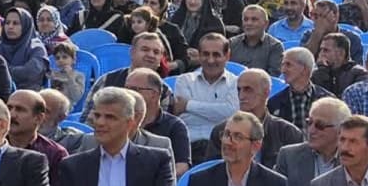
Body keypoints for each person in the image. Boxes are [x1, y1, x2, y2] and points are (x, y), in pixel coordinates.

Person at [208, 68, 302, 169]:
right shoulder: (221, 131)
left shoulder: (287, 133)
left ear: (266, 93)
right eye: (239, 90)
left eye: (248, 90)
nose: (241, 96)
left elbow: (296, 176)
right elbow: (211, 173)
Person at [171, 33, 238, 164]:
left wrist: (188, 105)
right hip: (188, 147)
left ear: (227, 56)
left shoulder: (236, 82)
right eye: (206, 54)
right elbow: (183, 118)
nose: (211, 60)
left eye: (216, 55)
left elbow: (231, 113)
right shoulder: (184, 80)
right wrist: (218, 112)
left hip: (222, 148)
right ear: (199, 56)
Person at [122, 67, 191, 175]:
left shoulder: (175, 126)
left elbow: (182, 165)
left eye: (134, 89)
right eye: (126, 89)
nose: (127, 94)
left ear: (154, 94)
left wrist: (158, 177)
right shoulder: (118, 121)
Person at [268, 46, 335, 132]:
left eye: (288, 65)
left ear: (304, 69)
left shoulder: (328, 101)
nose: (283, 70)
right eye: (282, 65)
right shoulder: (274, 103)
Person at [0, 8, 48, 91]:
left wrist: (4, 69)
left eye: (16, 23)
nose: (10, 27)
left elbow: (29, 73)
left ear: (26, 25)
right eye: (7, 23)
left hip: (30, 97)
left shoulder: (36, 49)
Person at [228, 4, 283, 75]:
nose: (249, 23)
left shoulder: (275, 46)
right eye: (246, 19)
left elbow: (274, 76)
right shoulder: (232, 44)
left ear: (266, 24)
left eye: (254, 20)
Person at [312, 32, 368, 97]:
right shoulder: (317, 73)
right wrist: (322, 71)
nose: (321, 54)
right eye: (320, 50)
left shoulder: (359, 74)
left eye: (325, 50)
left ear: (341, 53)